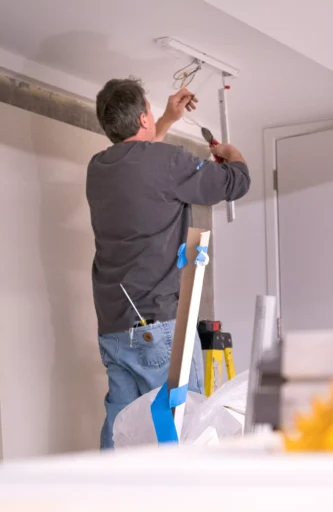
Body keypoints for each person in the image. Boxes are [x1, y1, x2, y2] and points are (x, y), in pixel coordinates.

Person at [86, 78, 250, 449]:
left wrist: (167, 119)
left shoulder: (98, 169)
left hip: (114, 329)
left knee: (121, 434)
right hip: (158, 326)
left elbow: (140, 159)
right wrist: (233, 153)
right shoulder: (169, 162)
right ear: (144, 116)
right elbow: (235, 183)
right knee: (183, 431)